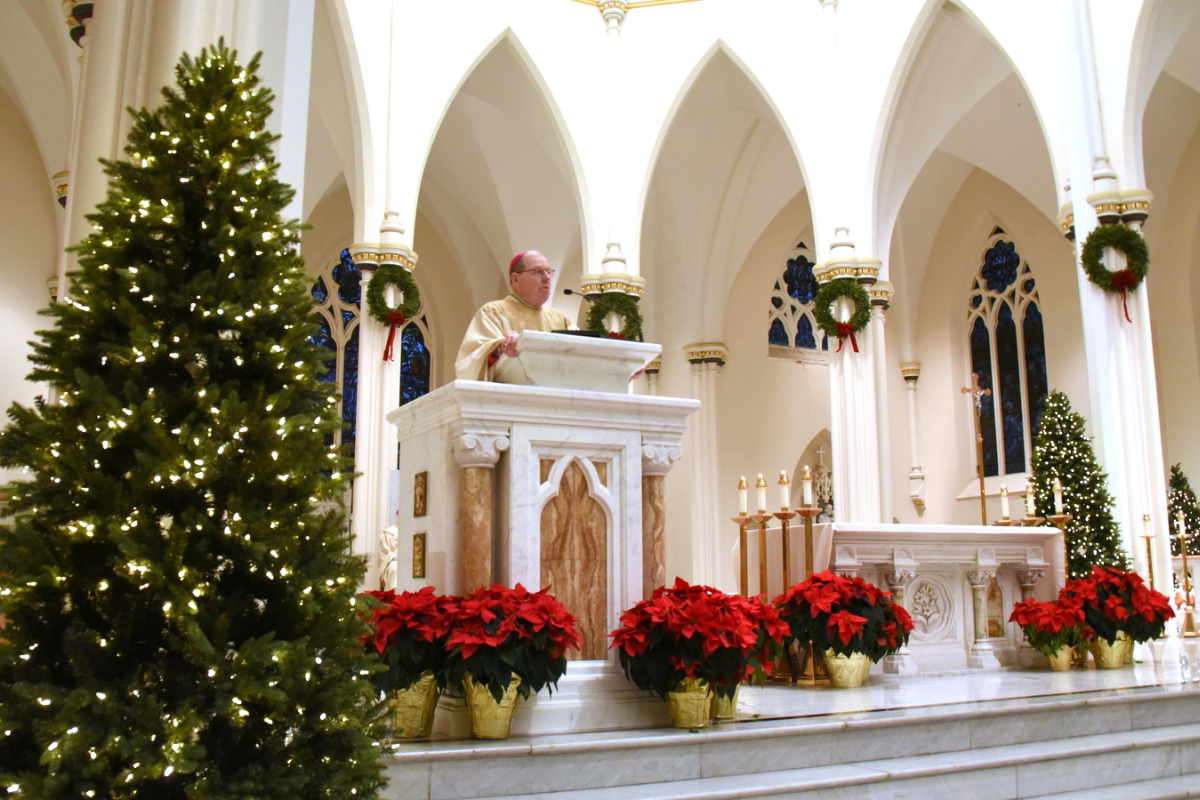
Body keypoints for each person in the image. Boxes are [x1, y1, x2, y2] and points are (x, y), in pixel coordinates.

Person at [455, 251, 575, 382]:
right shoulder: (493, 312)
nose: (547, 278)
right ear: (516, 279)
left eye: (548, 271)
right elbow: (471, 362)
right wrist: (501, 347)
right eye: (538, 271)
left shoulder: (560, 319)